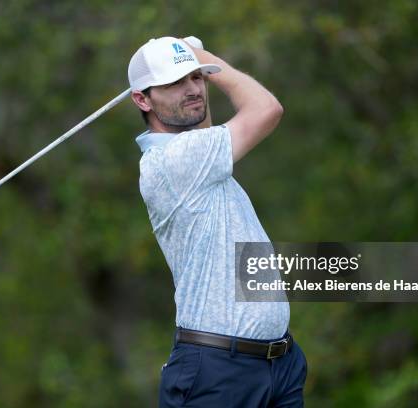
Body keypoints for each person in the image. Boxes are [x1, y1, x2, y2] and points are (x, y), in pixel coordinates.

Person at [128, 36, 307, 407]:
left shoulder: (201, 154)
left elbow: (204, 125)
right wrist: (202, 57)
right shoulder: (174, 162)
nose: (192, 89)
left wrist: (189, 65)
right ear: (142, 99)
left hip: (278, 365)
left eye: (197, 79)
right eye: (175, 82)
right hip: (218, 372)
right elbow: (266, 109)